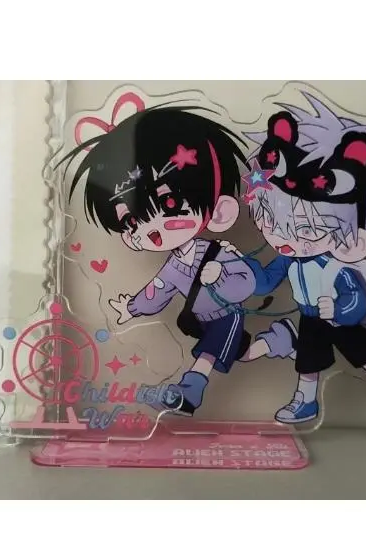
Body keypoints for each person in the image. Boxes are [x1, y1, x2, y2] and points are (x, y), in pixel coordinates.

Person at [223, 92, 366, 424]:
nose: (286, 238)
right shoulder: (289, 258)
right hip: (310, 317)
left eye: (306, 230)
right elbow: (265, 281)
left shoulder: (334, 264)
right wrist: (238, 271)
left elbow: (355, 294)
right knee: (308, 362)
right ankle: (305, 402)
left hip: (339, 319)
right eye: (272, 223)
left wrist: (342, 310)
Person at [59, 92, 255, 416]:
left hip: (226, 316)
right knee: (241, 352)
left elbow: (247, 282)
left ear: (219, 212)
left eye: (168, 204)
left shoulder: (218, 253)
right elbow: (159, 290)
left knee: (209, 354)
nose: (152, 227)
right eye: (131, 220)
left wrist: (221, 276)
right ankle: (279, 342)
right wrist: (131, 307)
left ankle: (189, 393)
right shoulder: (176, 263)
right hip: (197, 321)